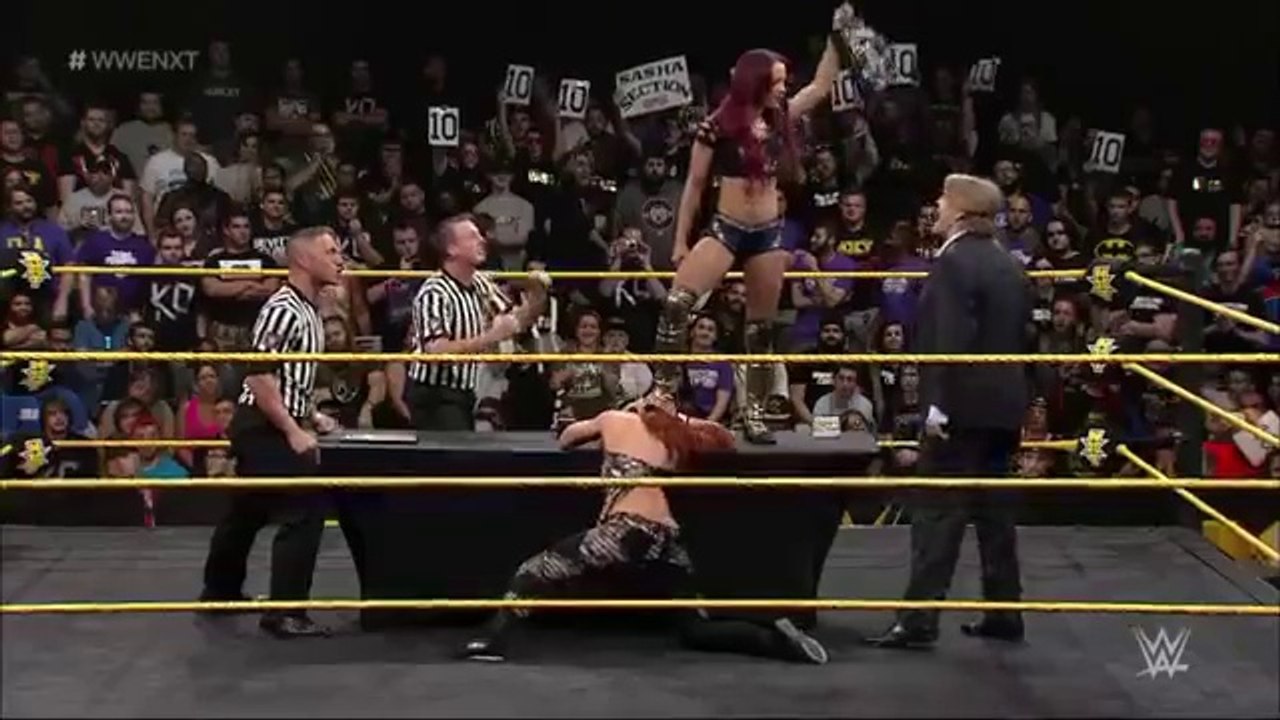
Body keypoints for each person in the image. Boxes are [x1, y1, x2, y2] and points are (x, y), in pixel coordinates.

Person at [866, 174, 1031, 649]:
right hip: (1003, 405)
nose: (936, 207)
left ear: (960, 210)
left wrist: (936, 406)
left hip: (959, 406)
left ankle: (918, 620)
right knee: (995, 515)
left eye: (942, 200)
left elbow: (948, 339)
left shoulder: (955, 262)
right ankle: (1005, 612)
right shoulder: (1007, 261)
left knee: (938, 513)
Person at [650, 38, 840, 444]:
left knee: (760, 330)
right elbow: (694, 185)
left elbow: (821, 87)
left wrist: (837, 40)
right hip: (726, 227)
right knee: (677, 303)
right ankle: (663, 394)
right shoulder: (717, 125)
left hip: (768, 233)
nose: (784, 89)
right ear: (756, 83)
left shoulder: (780, 118)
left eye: (785, 82)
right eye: (777, 82)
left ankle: (753, 413)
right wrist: (680, 241)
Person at [460, 397, 737, 662]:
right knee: (696, 627)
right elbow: (725, 437)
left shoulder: (615, 419)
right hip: (665, 537)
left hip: (626, 529)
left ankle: (491, 641)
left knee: (532, 572)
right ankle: (764, 639)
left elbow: (567, 438)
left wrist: (602, 428)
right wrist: (681, 420)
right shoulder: (671, 439)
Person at [199, 226, 347, 639]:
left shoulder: (309, 308)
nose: (340, 260)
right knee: (306, 506)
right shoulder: (283, 307)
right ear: (303, 259)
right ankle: (284, 611)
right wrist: (293, 429)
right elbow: (259, 374)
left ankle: (220, 590)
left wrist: (311, 415)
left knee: (248, 509)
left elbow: (288, 378)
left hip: (269, 420)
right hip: (263, 424)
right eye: (331, 252)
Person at [407, 214, 546, 430]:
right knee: (456, 449)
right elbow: (436, 351)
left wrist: (537, 292)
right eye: (472, 236)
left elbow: (515, 321)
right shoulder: (435, 292)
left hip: (466, 390)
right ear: (451, 249)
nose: (482, 240)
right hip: (435, 395)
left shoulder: (480, 282)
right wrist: (491, 336)